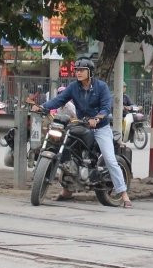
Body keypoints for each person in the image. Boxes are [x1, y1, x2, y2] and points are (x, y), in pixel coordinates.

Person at [35, 58, 132, 207]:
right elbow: (60, 100)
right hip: (81, 124)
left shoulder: (101, 87)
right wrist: (43, 107)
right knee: (66, 148)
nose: (78, 73)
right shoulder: (74, 87)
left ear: (90, 72)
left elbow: (106, 107)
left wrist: (97, 118)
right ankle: (67, 190)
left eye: (82, 70)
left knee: (110, 159)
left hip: (101, 127)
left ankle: (124, 194)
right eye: (77, 70)